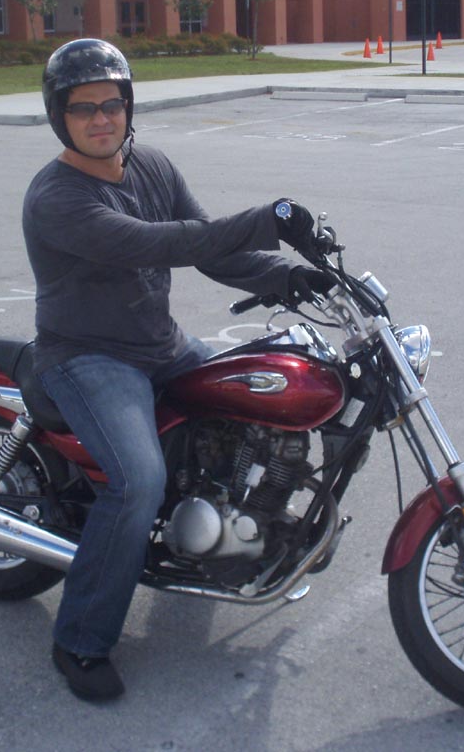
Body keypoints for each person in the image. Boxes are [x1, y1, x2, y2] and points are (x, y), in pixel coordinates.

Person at [21, 38, 331, 702]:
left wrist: (293, 277)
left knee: (259, 396)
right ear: (59, 116)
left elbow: (211, 250)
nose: (101, 119)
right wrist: (266, 219)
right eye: (83, 108)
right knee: (137, 482)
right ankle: (80, 640)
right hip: (86, 357)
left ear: (129, 107)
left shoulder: (152, 167)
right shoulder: (56, 198)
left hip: (159, 346)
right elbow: (161, 243)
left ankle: (229, 538)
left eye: (112, 104)